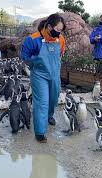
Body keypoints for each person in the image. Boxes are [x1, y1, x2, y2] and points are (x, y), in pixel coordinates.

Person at [21, 14, 66, 143]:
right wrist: (36, 61)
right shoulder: (33, 39)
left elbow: (60, 54)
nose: (59, 33)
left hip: (55, 75)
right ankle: (40, 132)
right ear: (49, 26)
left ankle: (48, 116)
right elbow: (24, 56)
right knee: (42, 103)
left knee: (53, 99)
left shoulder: (61, 39)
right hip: (40, 75)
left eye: (61, 31)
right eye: (57, 30)